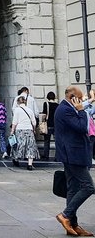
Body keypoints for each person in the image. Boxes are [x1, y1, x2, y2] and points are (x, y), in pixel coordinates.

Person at [54, 86, 95, 237]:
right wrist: (82, 111)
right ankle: (65, 215)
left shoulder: (67, 107)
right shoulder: (66, 110)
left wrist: (89, 101)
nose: (81, 100)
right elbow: (80, 127)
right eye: (79, 97)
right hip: (73, 155)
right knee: (89, 187)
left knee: (72, 188)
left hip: (72, 154)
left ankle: (72, 224)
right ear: (73, 97)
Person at [10, 95, 39, 170]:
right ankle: (30, 164)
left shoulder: (17, 110)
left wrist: (12, 131)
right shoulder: (29, 110)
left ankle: (16, 159)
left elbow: (14, 122)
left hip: (19, 129)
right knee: (30, 147)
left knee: (18, 145)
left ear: (17, 102)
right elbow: (34, 122)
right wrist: (34, 129)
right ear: (25, 102)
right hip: (29, 129)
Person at [42, 91, 59, 161]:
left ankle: (46, 156)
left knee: (46, 141)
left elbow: (44, 113)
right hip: (56, 125)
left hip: (48, 124)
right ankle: (57, 156)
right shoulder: (58, 105)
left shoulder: (46, 104)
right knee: (57, 141)